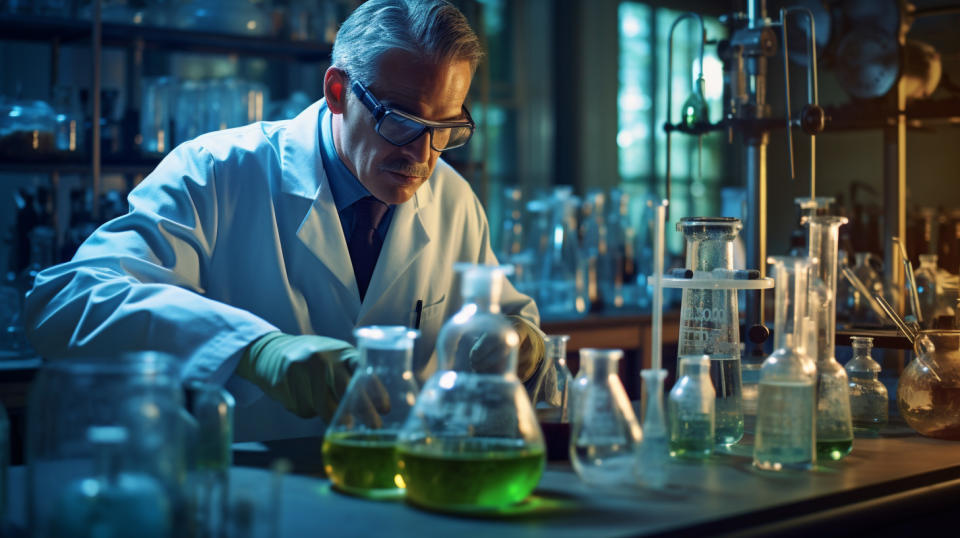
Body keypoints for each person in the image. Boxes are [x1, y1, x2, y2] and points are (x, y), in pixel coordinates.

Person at [23, 0, 545, 442]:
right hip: (246, 489)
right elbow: (64, 304)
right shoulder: (216, 170)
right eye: (401, 121)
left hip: (396, 496)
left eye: (445, 127)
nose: (423, 154)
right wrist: (252, 348)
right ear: (338, 92)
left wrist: (521, 340)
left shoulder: (452, 197)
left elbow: (506, 316)